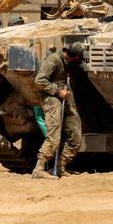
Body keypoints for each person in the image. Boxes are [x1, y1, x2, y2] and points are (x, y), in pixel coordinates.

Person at [32, 42, 85, 179]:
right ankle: (39, 168)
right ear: (74, 56)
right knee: (54, 135)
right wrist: (57, 91)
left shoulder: (68, 62)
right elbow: (39, 80)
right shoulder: (53, 60)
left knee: (76, 134)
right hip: (51, 99)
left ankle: (60, 167)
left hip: (65, 98)